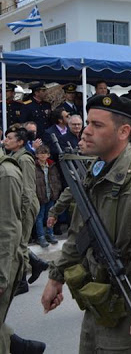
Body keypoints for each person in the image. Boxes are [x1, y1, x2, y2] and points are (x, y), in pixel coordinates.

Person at [41, 93, 131, 353]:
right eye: (87, 123)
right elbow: (78, 234)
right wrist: (56, 277)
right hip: (99, 301)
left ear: (123, 132)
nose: (85, 132)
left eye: (97, 125)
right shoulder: (96, 172)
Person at [0, 147, 46, 354]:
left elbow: (8, 228)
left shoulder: (6, 173)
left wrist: (2, 276)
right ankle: (23, 347)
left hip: (4, 260)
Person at [2, 126, 43, 295]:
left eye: (10, 138)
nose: (6, 140)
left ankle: (21, 281)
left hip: (25, 204)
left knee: (20, 243)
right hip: (18, 203)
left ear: (20, 142)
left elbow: (27, 189)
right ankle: (37, 264)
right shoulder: (13, 156)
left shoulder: (24, 159)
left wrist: (23, 212)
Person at [34, 145, 63, 247]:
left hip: (51, 195)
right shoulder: (34, 167)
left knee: (50, 215)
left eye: (45, 153)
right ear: (36, 155)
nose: (42, 155)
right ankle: (41, 236)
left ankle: (50, 234)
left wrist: (56, 191)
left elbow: (57, 180)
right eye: (40, 153)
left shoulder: (52, 166)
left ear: (48, 155)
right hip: (40, 196)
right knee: (39, 217)